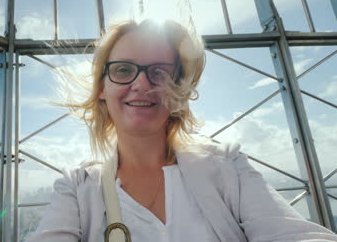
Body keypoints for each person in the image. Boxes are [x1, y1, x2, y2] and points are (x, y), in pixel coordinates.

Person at [26, 19, 337, 241]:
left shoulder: (227, 166)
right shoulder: (76, 187)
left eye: (159, 72)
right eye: (123, 70)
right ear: (102, 88)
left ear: (179, 90)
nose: (141, 84)